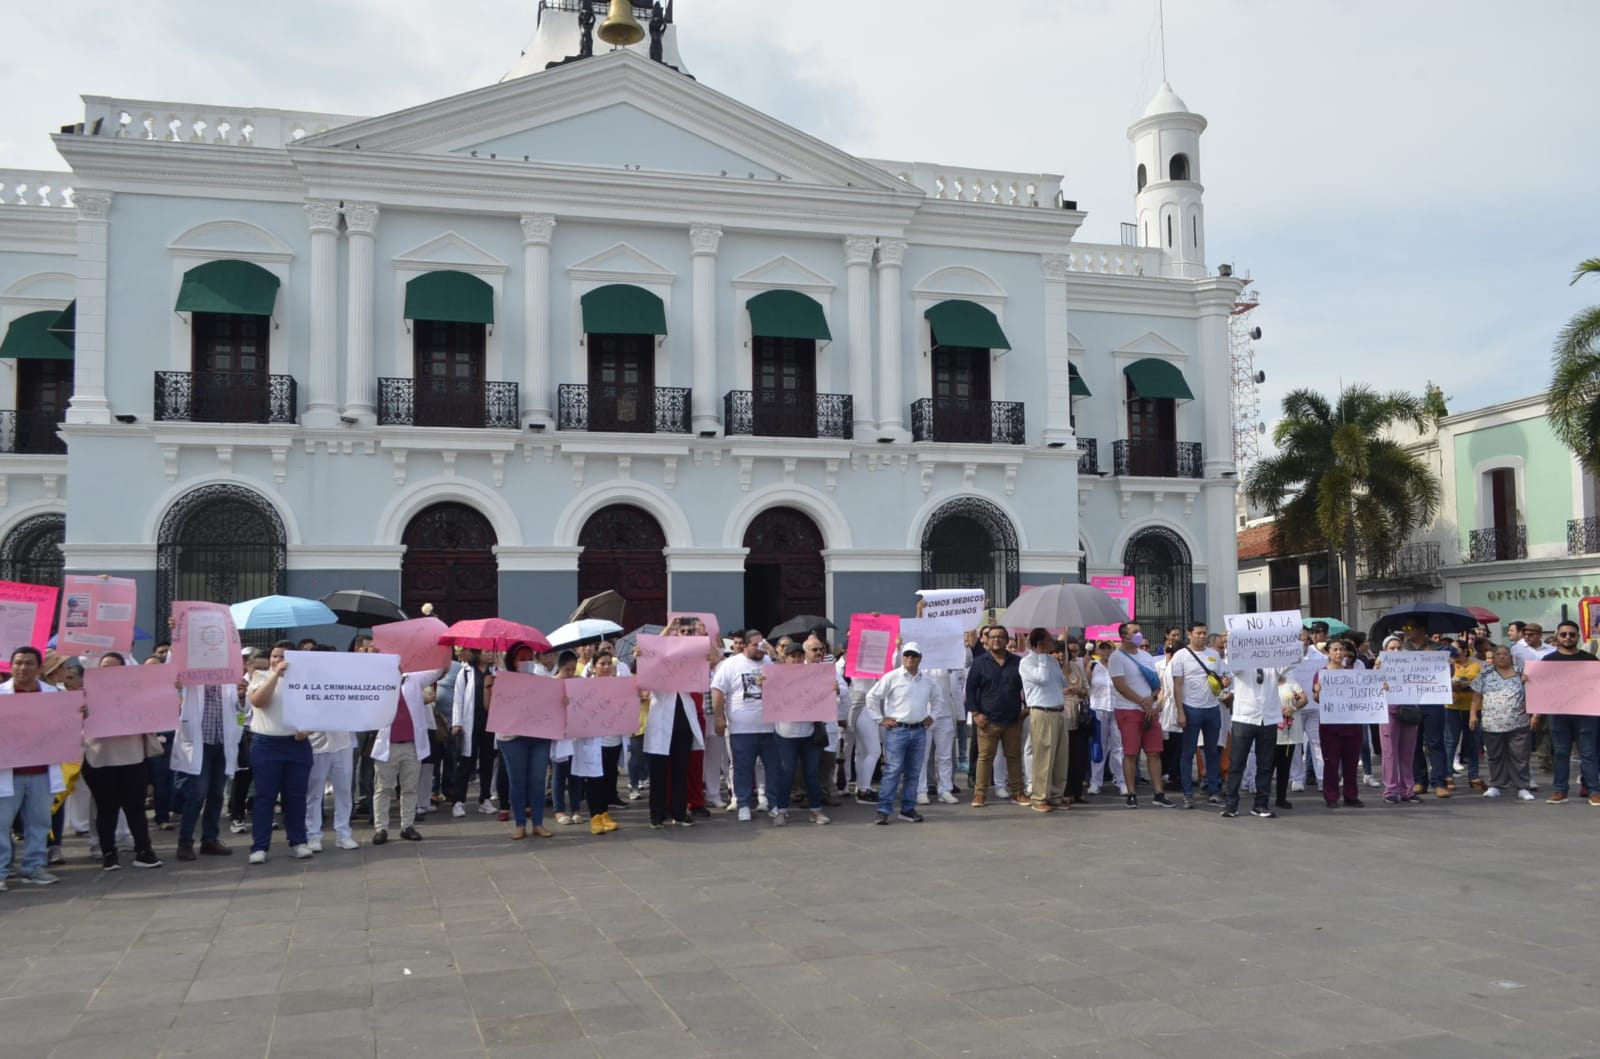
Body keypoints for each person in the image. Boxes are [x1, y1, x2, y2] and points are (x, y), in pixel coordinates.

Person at [81, 652, 164, 870]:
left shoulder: (137, 693)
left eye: (115, 666)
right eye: (105, 666)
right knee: (106, 809)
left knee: (135, 808)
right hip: (100, 759)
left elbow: (155, 713)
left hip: (132, 757)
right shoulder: (85, 694)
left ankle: (144, 851)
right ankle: (109, 853)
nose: (110, 670)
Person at [0, 647, 66, 888]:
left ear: (40, 668)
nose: (23, 668)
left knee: (39, 822)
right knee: (1, 823)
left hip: (41, 770)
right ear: (10, 666)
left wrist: (78, 714)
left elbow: (65, 727)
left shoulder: (54, 695)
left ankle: (34, 867)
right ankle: (2, 870)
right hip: (7, 771)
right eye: (18, 663)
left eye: (29, 663)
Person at [243, 641, 315, 863]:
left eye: (282, 656)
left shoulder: (305, 681)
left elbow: (319, 709)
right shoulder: (261, 677)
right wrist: (275, 675)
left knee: (295, 796)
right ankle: (260, 846)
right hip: (266, 744)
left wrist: (308, 729)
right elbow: (258, 702)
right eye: (274, 656)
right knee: (265, 796)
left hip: (296, 746)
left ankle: (298, 841)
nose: (276, 660)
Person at [171, 663, 244, 861]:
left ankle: (210, 839)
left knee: (217, 794)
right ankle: (185, 842)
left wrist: (242, 695)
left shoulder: (232, 677)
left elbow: (241, 712)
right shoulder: (190, 674)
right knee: (197, 794)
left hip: (223, 743)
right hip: (199, 744)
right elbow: (175, 687)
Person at [371, 661, 449, 845]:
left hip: (411, 745)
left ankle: (407, 826)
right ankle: (381, 828)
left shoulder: (415, 679)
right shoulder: (378, 682)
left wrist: (443, 646)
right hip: (387, 745)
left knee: (409, 788)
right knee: (383, 788)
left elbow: (439, 668)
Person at [866, 643, 942, 824]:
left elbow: (938, 699)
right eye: (906, 655)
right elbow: (872, 696)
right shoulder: (892, 677)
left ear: (920, 658)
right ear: (902, 657)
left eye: (913, 655)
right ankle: (883, 810)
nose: (910, 658)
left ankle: (907, 809)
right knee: (892, 770)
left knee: (914, 772)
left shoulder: (928, 680)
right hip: (897, 729)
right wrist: (879, 718)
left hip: (919, 730)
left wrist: (933, 716)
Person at [641, 628, 708, 829]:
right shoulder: (656, 666)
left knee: (681, 770)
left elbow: (710, 656)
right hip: (661, 722)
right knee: (659, 771)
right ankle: (657, 814)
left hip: (684, 723)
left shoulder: (689, 665)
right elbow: (650, 651)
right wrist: (668, 629)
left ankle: (679, 812)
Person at [711, 630, 777, 823]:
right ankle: (744, 805)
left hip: (769, 727)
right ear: (746, 645)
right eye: (756, 645)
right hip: (742, 728)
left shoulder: (768, 663)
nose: (760, 649)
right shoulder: (730, 664)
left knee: (773, 768)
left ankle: (773, 804)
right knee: (742, 768)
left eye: (762, 645)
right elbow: (718, 690)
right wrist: (718, 717)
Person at [1108, 623, 1173, 808]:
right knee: (1130, 753)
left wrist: (1152, 700)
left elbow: (1156, 682)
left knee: (1154, 752)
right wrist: (1140, 701)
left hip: (1149, 710)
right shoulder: (1117, 658)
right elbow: (1120, 685)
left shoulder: (1145, 656)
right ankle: (1131, 792)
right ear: (1124, 636)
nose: (1139, 635)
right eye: (1135, 632)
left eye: (1139, 631)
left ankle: (1159, 793)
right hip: (1128, 709)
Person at [494, 641, 554, 840]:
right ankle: (520, 823)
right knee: (517, 781)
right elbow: (491, 708)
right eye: (522, 659)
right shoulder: (502, 680)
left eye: (529, 659)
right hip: (512, 739)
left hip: (539, 737)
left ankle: (538, 823)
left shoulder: (541, 680)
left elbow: (552, 703)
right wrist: (491, 688)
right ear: (513, 661)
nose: (526, 662)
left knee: (538, 780)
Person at [768, 640, 830, 827]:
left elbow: (826, 696)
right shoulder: (776, 676)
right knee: (786, 773)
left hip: (809, 732)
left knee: (811, 773)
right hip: (786, 734)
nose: (796, 660)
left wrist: (832, 689)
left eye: (799, 656)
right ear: (785, 658)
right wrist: (762, 683)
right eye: (792, 656)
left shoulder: (813, 675)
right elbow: (767, 696)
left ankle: (816, 810)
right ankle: (781, 810)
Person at [965, 624, 1026, 808]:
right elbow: (970, 689)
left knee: (1014, 757)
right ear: (987, 640)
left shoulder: (1017, 662)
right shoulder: (979, 662)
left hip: (1013, 718)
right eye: (993, 637)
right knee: (985, 758)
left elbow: (1028, 686)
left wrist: (1026, 709)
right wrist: (975, 713)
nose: (996, 640)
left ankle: (1017, 792)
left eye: (1000, 637)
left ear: (1007, 640)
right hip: (987, 720)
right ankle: (980, 794)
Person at [1537, 619, 1598, 805]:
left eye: (1572, 634)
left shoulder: (1590, 659)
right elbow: (1540, 686)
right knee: (1561, 753)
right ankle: (1560, 790)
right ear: (1557, 636)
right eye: (1563, 634)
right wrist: (1529, 678)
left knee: (1588, 753)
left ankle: (1594, 790)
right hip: (1558, 713)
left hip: (1587, 713)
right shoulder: (1548, 661)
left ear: (1578, 637)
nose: (1568, 637)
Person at [1166, 622, 1227, 808]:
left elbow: (1223, 678)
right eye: (1198, 633)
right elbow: (1177, 685)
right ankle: (1187, 793)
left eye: (1205, 633)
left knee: (1212, 751)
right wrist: (1180, 712)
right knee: (1188, 752)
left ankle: (1214, 791)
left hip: (1212, 709)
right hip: (1191, 708)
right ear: (1189, 634)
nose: (1202, 636)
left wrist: (1225, 681)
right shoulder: (1181, 656)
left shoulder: (1214, 655)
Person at [1223, 663, 1292, 819]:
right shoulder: (1242, 661)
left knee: (1265, 765)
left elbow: (1289, 663)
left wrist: (1297, 641)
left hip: (1267, 718)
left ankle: (1261, 804)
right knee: (1237, 764)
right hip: (1244, 717)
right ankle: (1231, 805)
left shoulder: (1273, 663)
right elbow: (1232, 666)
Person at [1470, 644, 1535, 800]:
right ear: (1493, 658)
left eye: (1505, 654)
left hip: (1518, 721)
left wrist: (1535, 714)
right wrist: (1473, 715)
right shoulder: (1485, 674)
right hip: (1492, 723)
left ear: (1511, 656)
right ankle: (1495, 785)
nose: (1502, 657)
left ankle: (1522, 787)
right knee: (1494, 756)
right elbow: (1476, 697)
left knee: (1520, 756)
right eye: (1498, 654)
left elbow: (1534, 693)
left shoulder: (1522, 673)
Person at [1019, 628, 1070, 812]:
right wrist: (1041, 657)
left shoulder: (1052, 661)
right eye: (1049, 640)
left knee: (1060, 756)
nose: (1053, 642)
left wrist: (1064, 665)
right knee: (1043, 757)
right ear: (1039, 643)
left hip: (1058, 711)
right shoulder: (1027, 662)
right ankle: (1039, 797)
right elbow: (1040, 679)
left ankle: (1056, 795)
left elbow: (1063, 682)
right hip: (1041, 712)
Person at [1315, 640, 1366, 808]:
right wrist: (1318, 692)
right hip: (1331, 726)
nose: (1338, 652)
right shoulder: (1322, 673)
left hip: (1352, 724)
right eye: (1335, 649)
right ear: (1328, 653)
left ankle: (1351, 795)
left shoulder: (1353, 673)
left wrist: (1381, 688)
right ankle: (1331, 795)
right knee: (1331, 762)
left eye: (1341, 649)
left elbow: (1365, 693)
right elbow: (1316, 699)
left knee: (1351, 762)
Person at [449, 649, 498, 818]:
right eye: (486, 651)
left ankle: (485, 799)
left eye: (491, 652)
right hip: (470, 723)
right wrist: (456, 722)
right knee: (465, 763)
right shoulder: (465, 673)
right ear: (477, 654)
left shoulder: (496, 672)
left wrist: (502, 668)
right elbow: (458, 698)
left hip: (490, 723)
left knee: (487, 763)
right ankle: (458, 801)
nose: (490, 654)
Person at [1376, 637, 1423, 805]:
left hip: (1409, 711)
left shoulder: (1410, 665)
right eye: (1391, 648)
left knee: (1408, 753)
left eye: (1398, 648)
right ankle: (1391, 789)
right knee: (1389, 752)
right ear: (1384, 650)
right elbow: (1369, 688)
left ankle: (1408, 790)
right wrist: (1379, 681)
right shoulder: (1378, 667)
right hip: (1388, 712)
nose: (1395, 651)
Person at [1084, 640, 1127, 798]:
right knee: (1099, 747)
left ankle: (1121, 780)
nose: (1106, 651)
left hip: (1117, 708)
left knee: (1118, 747)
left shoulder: (1119, 664)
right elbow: (1087, 685)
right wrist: (1086, 666)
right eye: (1102, 647)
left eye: (1108, 647)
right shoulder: (1093, 665)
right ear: (1097, 649)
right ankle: (1095, 782)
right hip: (1099, 709)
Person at [1446, 644, 1484, 792]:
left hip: (1472, 707)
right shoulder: (1448, 665)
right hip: (1451, 708)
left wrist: (1466, 684)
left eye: (1456, 649)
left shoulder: (1475, 665)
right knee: (1450, 742)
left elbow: (1478, 684)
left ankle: (1473, 776)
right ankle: (1448, 775)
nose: (1453, 652)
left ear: (1464, 650)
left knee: (1473, 742)